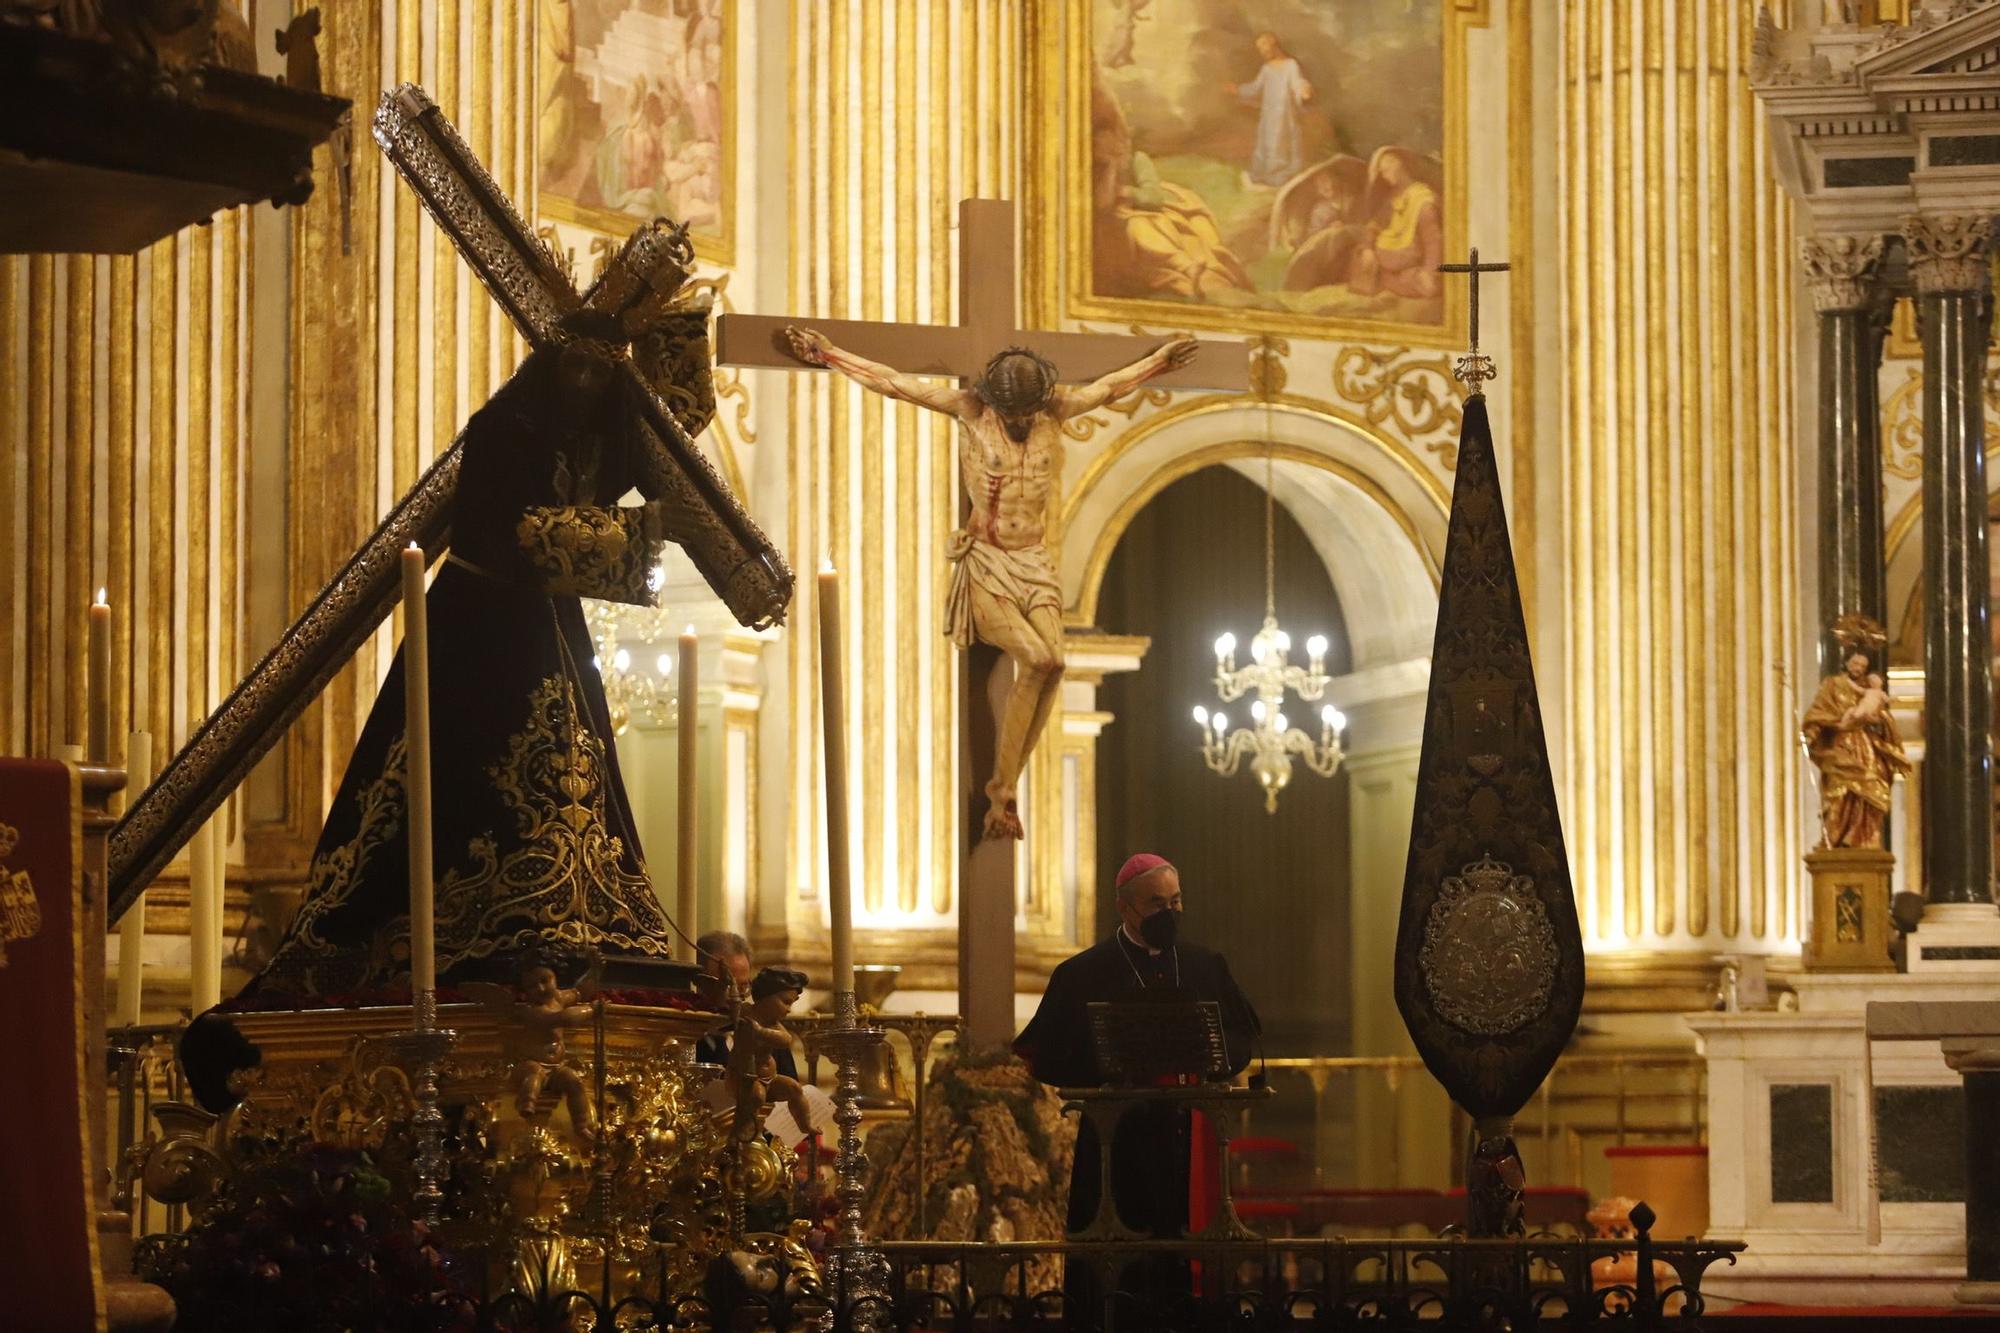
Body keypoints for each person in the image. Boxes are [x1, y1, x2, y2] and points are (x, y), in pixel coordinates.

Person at [783, 328, 1198, 840]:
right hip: (990, 561)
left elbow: (1111, 388)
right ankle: (1002, 791)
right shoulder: (969, 411)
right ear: (995, 401)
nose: (1024, 421)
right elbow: (892, 384)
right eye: (1015, 412)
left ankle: (1004, 796)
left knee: (1059, 662)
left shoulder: (1056, 412)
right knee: (1041, 660)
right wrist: (827, 354)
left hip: (1035, 561)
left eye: (1029, 410)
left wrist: (1159, 361)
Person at [1013, 854, 1260, 1309]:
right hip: (1116, 1131)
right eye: (1156, 903)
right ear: (1125, 908)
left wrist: (1210, 1059)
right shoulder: (1083, 972)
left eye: (1176, 901)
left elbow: (1243, 1034)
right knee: (1117, 1251)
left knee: (1183, 1245)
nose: (1169, 913)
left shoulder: (1205, 964)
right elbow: (1041, 1054)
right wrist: (1108, 1062)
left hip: (1187, 1127)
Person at [1802, 632, 1911, 849]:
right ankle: (1835, 837)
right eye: (1855, 663)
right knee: (1839, 792)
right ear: (1846, 662)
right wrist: (1812, 732)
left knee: (1869, 790)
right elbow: (1818, 712)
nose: (1858, 668)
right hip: (1840, 744)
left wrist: (1876, 719)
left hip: (1865, 746)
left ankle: (1862, 838)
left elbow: (1884, 718)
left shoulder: (1872, 690)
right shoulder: (1832, 685)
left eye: (1862, 665)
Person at [1348, 146, 1443, 301]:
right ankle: (1389, 279)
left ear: (1398, 166)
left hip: (1409, 256)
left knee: (1427, 286)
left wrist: (1430, 272)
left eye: (1385, 170)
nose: (1384, 176)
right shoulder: (1393, 195)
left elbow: (1433, 241)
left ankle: (1388, 279)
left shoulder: (1423, 199)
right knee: (1360, 255)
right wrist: (1368, 247)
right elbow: (1375, 224)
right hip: (1386, 255)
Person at [1225, 31, 1312, 189]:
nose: (1263, 53)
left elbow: (1297, 83)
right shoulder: (1267, 69)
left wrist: (1303, 90)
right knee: (1267, 144)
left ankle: (1280, 177)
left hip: (1285, 115)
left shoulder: (1291, 65)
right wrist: (1237, 89)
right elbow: (1255, 88)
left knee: (1283, 144)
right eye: (1261, 50)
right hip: (1269, 115)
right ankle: (1266, 176)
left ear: (1274, 46)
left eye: (1265, 49)